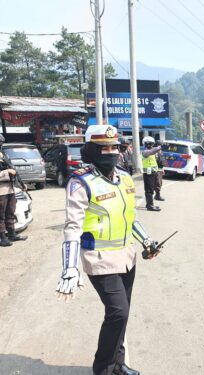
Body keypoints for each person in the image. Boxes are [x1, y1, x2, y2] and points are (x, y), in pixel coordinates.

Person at [55, 125, 161, 375]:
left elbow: (130, 217)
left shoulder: (124, 177)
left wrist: (147, 241)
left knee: (122, 315)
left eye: (115, 147)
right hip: (99, 259)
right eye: (105, 148)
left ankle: (117, 364)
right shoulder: (81, 182)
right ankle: (103, 368)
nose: (112, 152)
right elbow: (72, 227)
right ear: (92, 151)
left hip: (127, 256)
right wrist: (69, 268)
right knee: (117, 312)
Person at [0, 134, 27, 247]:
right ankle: (2, 238)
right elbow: (9, 171)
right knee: (1, 215)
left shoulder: (3, 154)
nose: (1, 144)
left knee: (10, 212)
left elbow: (14, 170)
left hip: (10, 188)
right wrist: (7, 172)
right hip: (1, 190)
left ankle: (12, 234)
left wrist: (21, 184)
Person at [141, 136, 162, 211]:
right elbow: (151, 151)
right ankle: (150, 206)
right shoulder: (145, 152)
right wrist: (160, 147)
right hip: (148, 174)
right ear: (145, 144)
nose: (150, 145)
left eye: (151, 143)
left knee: (152, 189)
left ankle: (149, 204)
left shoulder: (152, 152)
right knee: (149, 190)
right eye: (148, 143)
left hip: (153, 173)